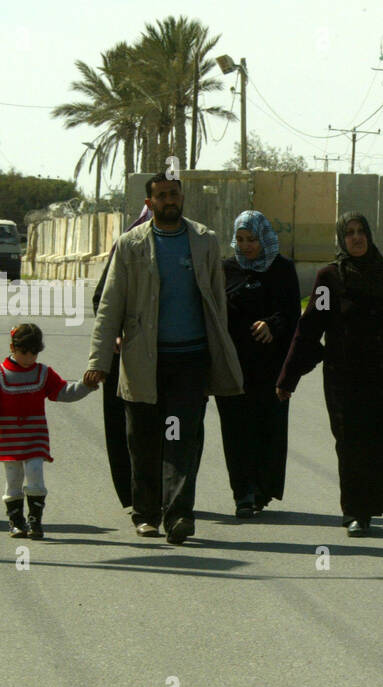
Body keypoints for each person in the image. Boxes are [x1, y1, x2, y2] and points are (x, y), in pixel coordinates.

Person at [83, 172, 243, 545]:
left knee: (183, 438)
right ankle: (146, 514)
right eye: (162, 196)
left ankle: (180, 515)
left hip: (190, 360)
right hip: (143, 361)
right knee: (144, 440)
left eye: (174, 194)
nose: (169, 200)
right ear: (149, 203)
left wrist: (221, 352)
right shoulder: (131, 245)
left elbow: (217, 303)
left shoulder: (204, 241)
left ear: (182, 197)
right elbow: (109, 307)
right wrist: (98, 360)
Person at [276, 212, 383, 537]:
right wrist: (288, 377)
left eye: (361, 231)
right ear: (341, 238)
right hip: (343, 381)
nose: (356, 237)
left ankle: (370, 507)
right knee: (349, 445)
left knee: (379, 444)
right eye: (349, 233)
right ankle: (354, 511)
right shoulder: (329, 279)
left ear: (370, 235)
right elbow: (309, 330)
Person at [0, 323, 95, 539]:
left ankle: (35, 520)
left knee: (35, 472)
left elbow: (63, 392)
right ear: (12, 348)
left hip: (35, 437)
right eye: (24, 352)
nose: (29, 357)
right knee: (13, 479)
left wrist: (85, 385)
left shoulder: (42, 373)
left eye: (34, 353)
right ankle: (16, 521)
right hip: (9, 439)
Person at [218, 211, 299, 518]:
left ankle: (263, 489)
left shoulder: (282, 269)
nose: (247, 246)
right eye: (240, 239)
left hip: (271, 367)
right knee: (236, 431)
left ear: (263, 238)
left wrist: (272, 325)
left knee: (270, 429)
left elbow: (293, 316)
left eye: (252, 239)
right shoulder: (226, 269)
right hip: (234, 366)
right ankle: (243, 493)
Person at [91, 204, 152, 508]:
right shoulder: (127, 246)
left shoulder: (189, 246)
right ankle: (132, 493)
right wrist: (115, 333)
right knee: (125, 427)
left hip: (168, 353)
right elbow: (101, 299)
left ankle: (164, 491)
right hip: (125, 355)